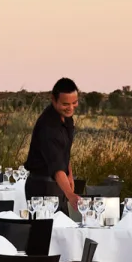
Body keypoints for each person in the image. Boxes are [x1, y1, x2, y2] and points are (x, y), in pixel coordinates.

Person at [24, 77, 79, 210]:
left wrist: (70, 176)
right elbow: (57, 167)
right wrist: (70, 195)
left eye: (74, 102)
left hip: (59, 184)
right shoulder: (48, 127)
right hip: (41, 187)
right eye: (66, 104)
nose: (70, 108)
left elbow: (64, 152)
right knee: (48, 229)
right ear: (53, 100)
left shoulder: (67, 118)